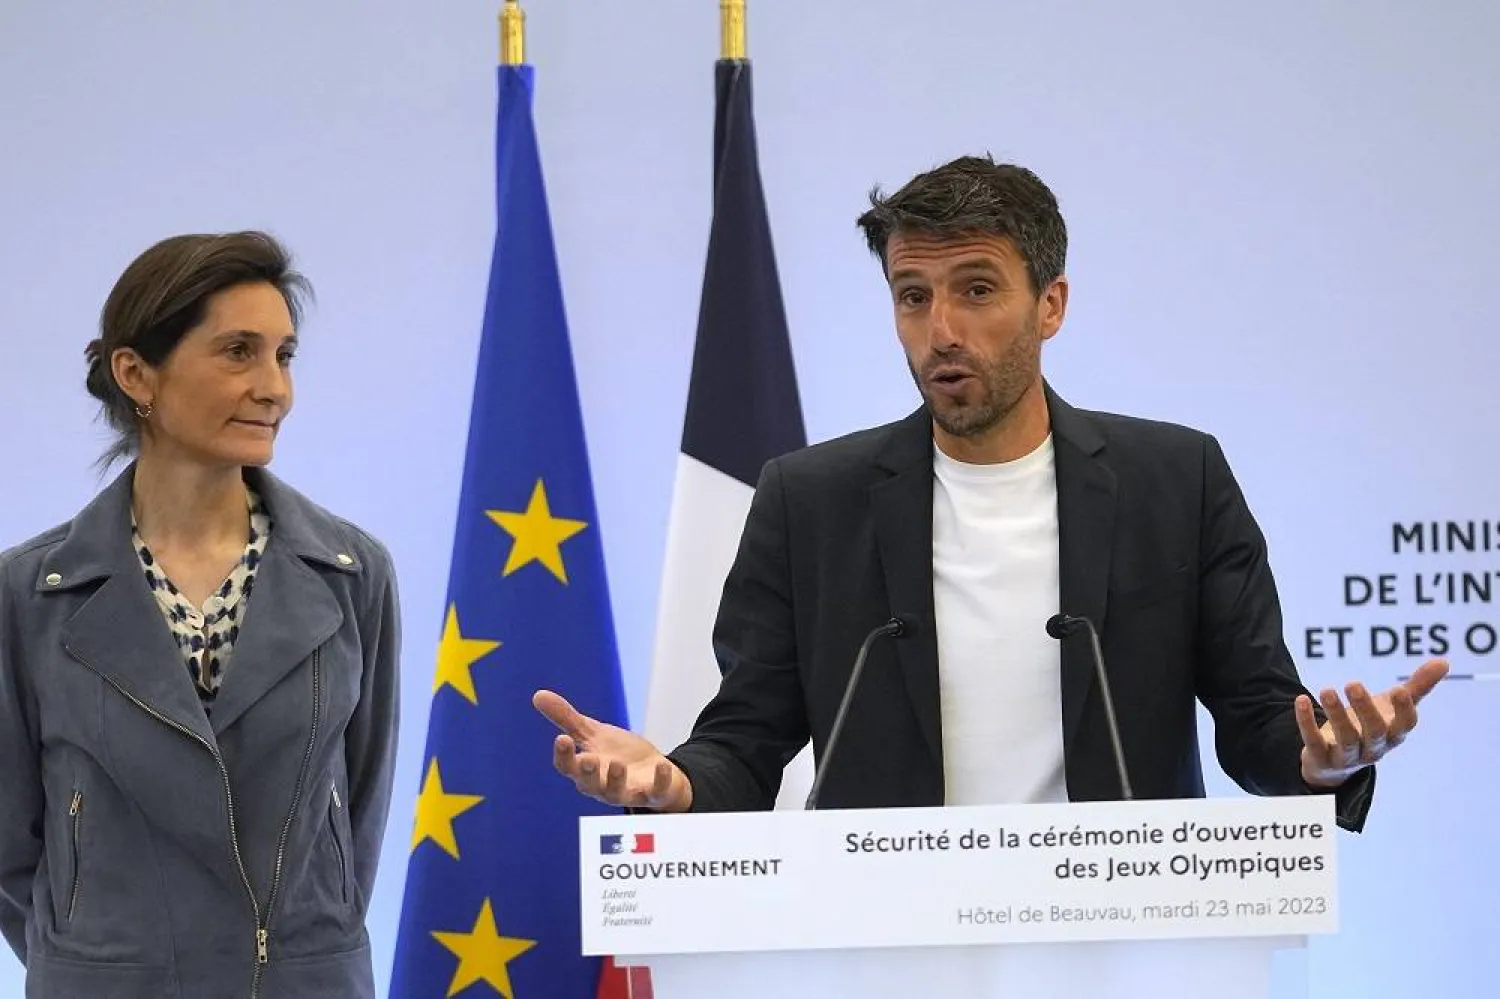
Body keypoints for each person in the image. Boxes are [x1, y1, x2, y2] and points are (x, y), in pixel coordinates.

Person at [534, 155, 1446, 827]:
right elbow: (745, 739)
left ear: (1051, 303)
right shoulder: (809, 500)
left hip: (1122, 940)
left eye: (976, 289)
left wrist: (1323, 757)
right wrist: (673, 782)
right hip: (884, 946)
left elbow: (1258, 721)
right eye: (912, 294)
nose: (941, 331)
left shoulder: (1179, 480)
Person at [0, 232, 401, 997]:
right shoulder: (26, 593)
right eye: (239, 352)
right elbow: (11, 851)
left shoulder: (354, 575)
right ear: (136, 373)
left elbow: (357, 816)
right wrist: (98, 952)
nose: (275, 388)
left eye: (284, 355)